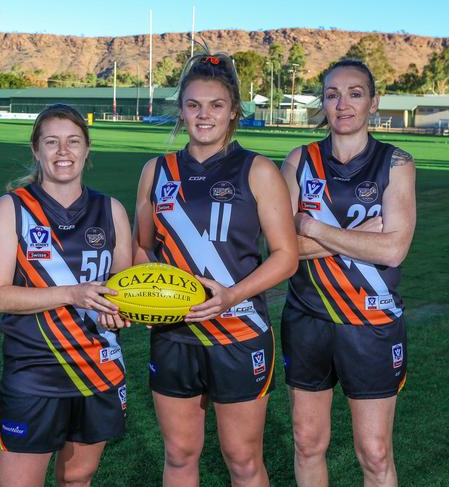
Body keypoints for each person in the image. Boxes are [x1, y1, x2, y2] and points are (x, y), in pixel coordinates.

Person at [132, 52, 298, 486]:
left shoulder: (258, 170)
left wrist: (230, 296)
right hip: (175, 334)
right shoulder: (157, 171)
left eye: (216, 105)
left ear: (234, 112)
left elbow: (286, 255)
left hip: (239, 331)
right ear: (181, 108)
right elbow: (141, 247)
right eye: (193, 105)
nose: (204, 115)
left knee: (242, 459)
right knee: (180, 455)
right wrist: (149, 298)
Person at [280, 59, 416, 487]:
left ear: (373, 102)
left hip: (371, 322)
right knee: (307, 442)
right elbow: (282, 250)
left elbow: (394, 250)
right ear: (323, 102)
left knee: (375, 454)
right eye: (332, 94)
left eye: (355, 93)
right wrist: (357, 235)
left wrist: (314, 228)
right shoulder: (299, 161)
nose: (342, 104)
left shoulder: (396, 163)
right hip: (307, 318)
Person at [0, 104, 132, 487]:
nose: (63, 152)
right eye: (52, 142)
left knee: (78, 477)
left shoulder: (110, 210)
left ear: (87, 149)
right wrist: (72, 293)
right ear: (36, 149)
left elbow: (122, 290)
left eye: (73, 142)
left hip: (98, 369)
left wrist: (119, 311)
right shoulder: (12, 208)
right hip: (33, 371)